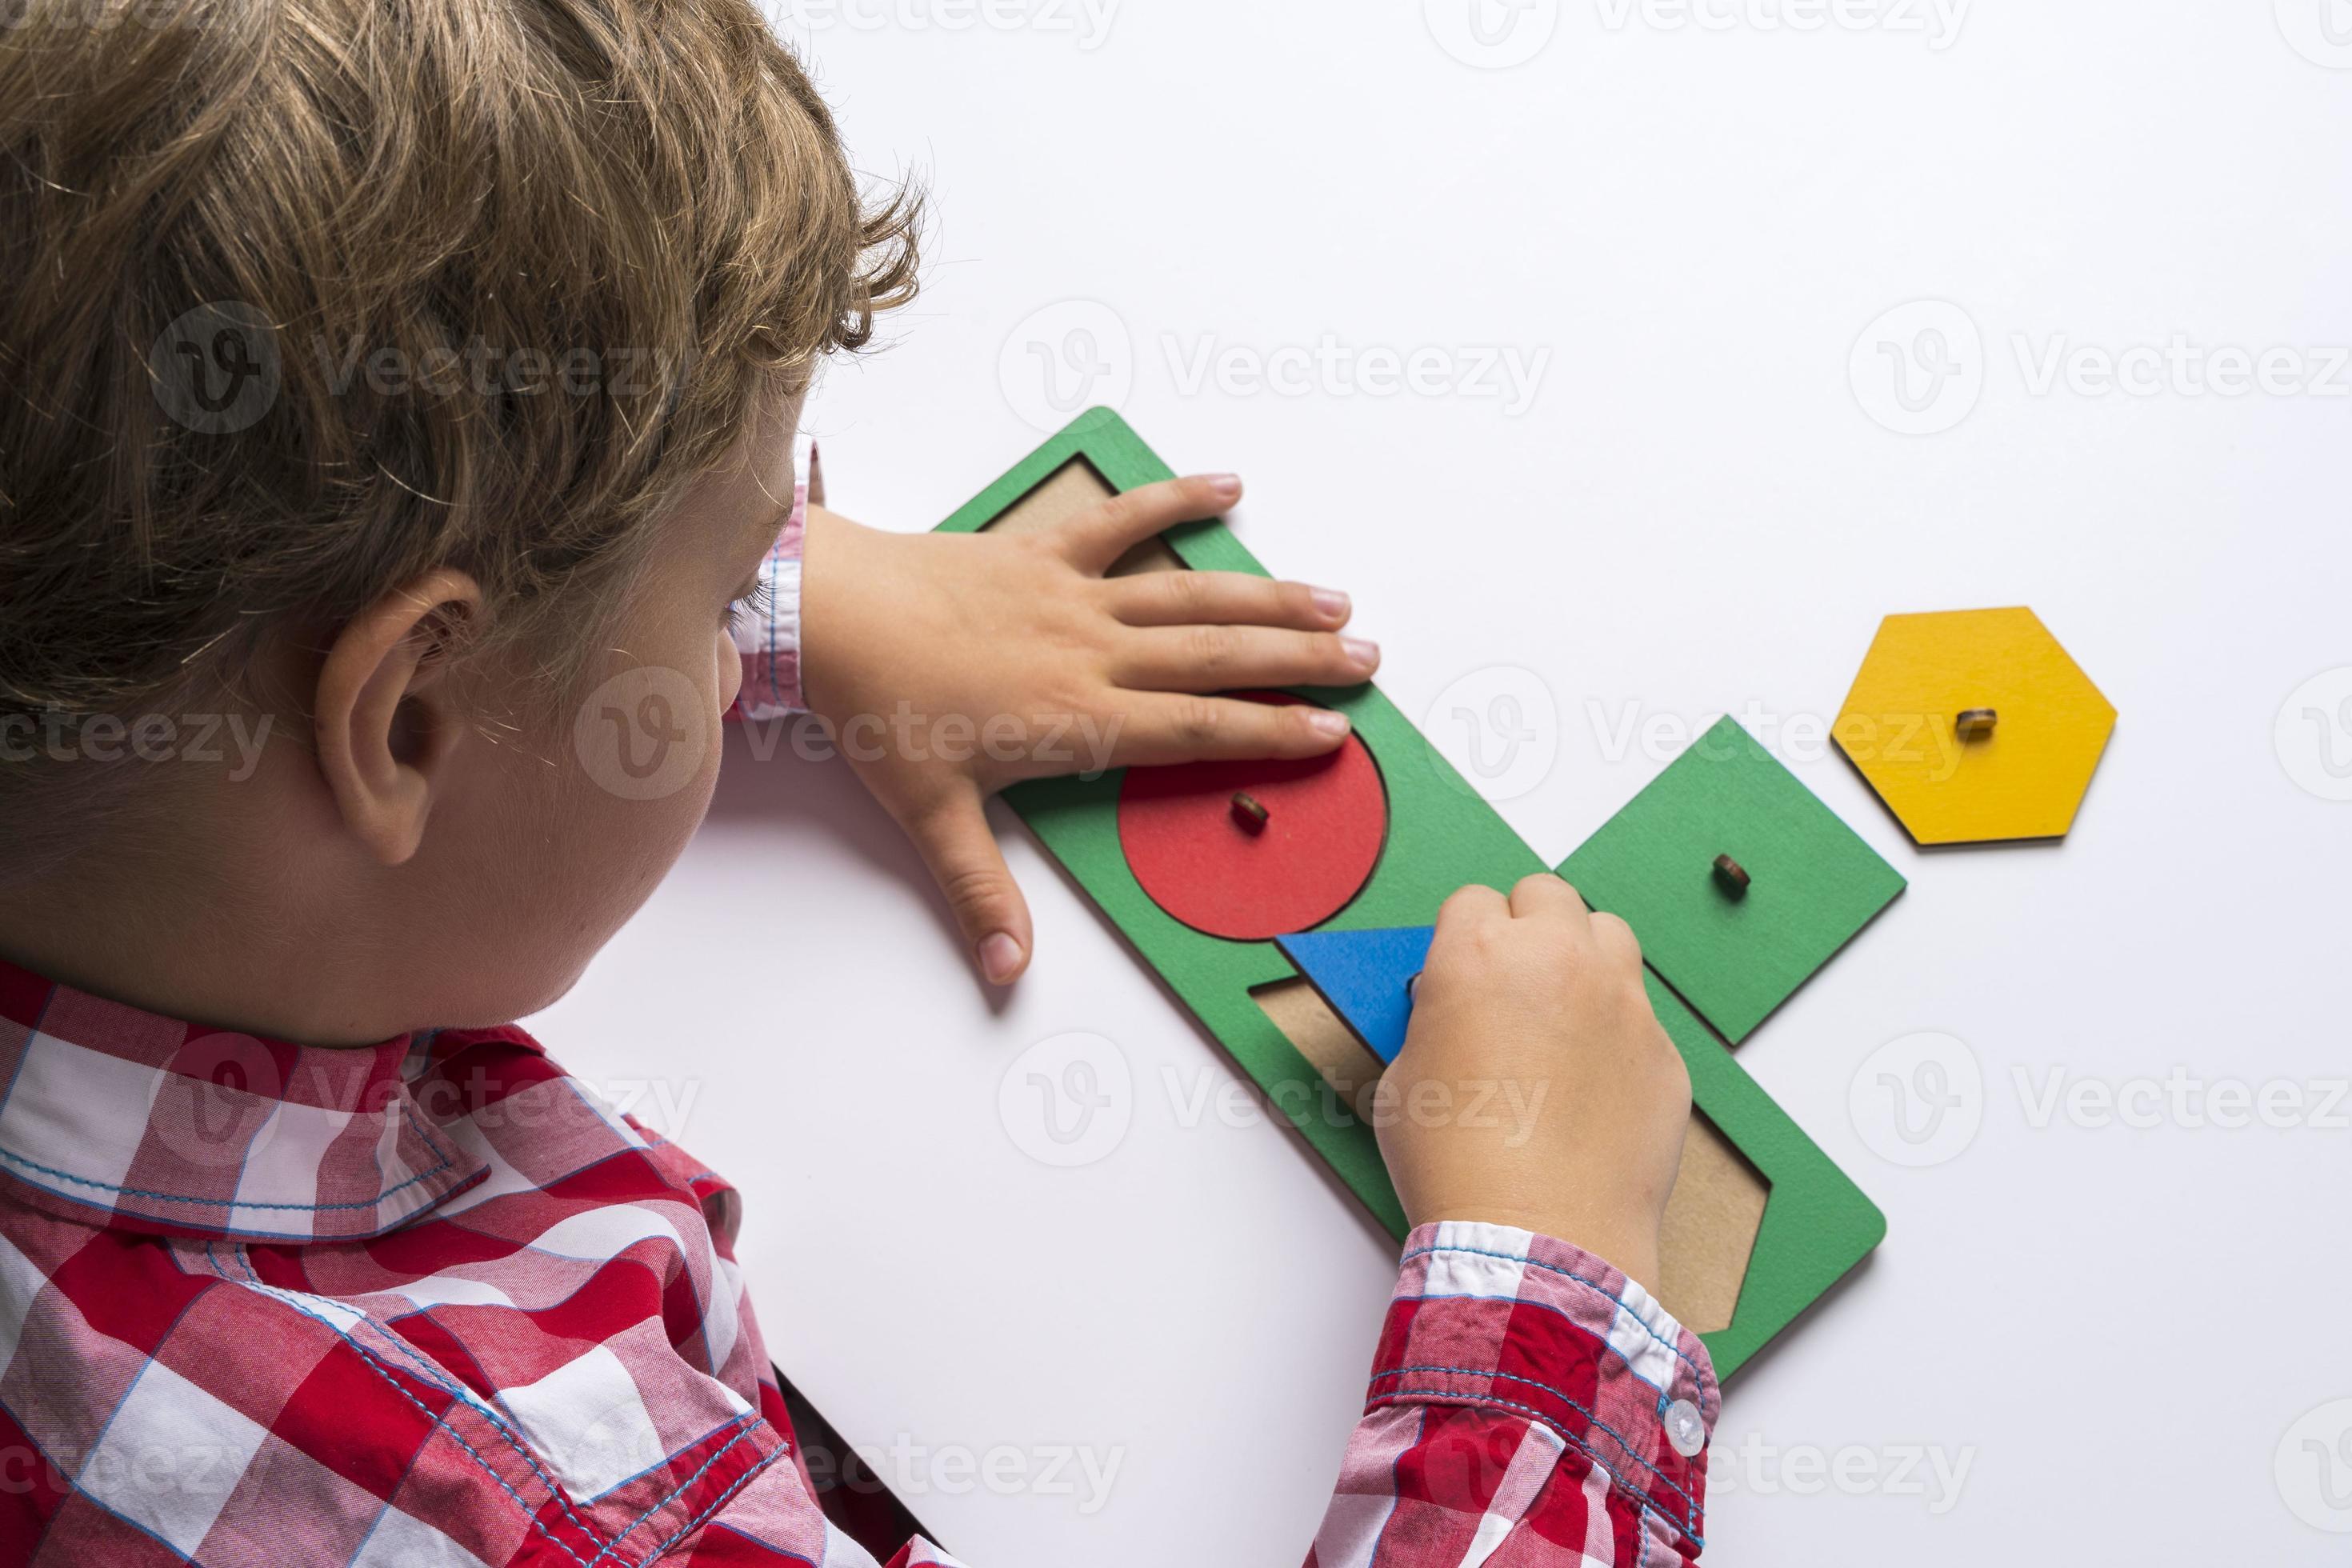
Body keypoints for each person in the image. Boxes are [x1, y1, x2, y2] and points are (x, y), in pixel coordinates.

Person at [0, 2, 1705, 1562]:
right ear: (407, 721)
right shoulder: (528, 1504)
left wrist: (725, 598)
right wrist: (1551, 1279)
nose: (752, 629)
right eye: (732, 581)